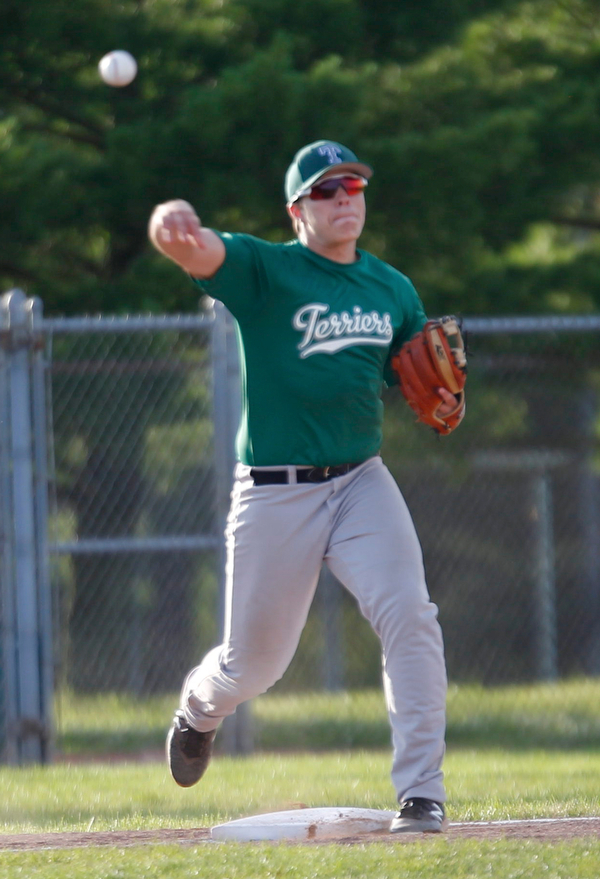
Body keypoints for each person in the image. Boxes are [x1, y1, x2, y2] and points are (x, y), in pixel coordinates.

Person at [148, 139, 458, 833]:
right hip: (274, 491)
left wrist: (438, 391)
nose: (345, 196)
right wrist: (171, 220)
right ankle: (200, 708)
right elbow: (196, 249)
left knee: (410, 613)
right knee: (253, 666)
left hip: (360, 481)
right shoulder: (266, 270)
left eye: (353, 185)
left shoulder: (391, 288)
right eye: (326, 189)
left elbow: (413, 372)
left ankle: (422, 793)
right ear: (297, 210)